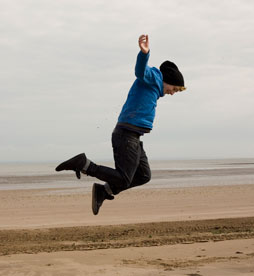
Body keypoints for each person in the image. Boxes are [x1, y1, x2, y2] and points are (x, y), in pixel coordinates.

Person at [55, 34, 186, 215]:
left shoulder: (155, 89)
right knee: (124, 178)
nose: (173, 93)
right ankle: (84, 164)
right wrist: (144, 54)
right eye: (175, 89)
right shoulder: (152, 78)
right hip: (126, 134)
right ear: (168, 80)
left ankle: (104, 191)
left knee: (143, 176)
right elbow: (140, 70)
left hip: (134, 136)